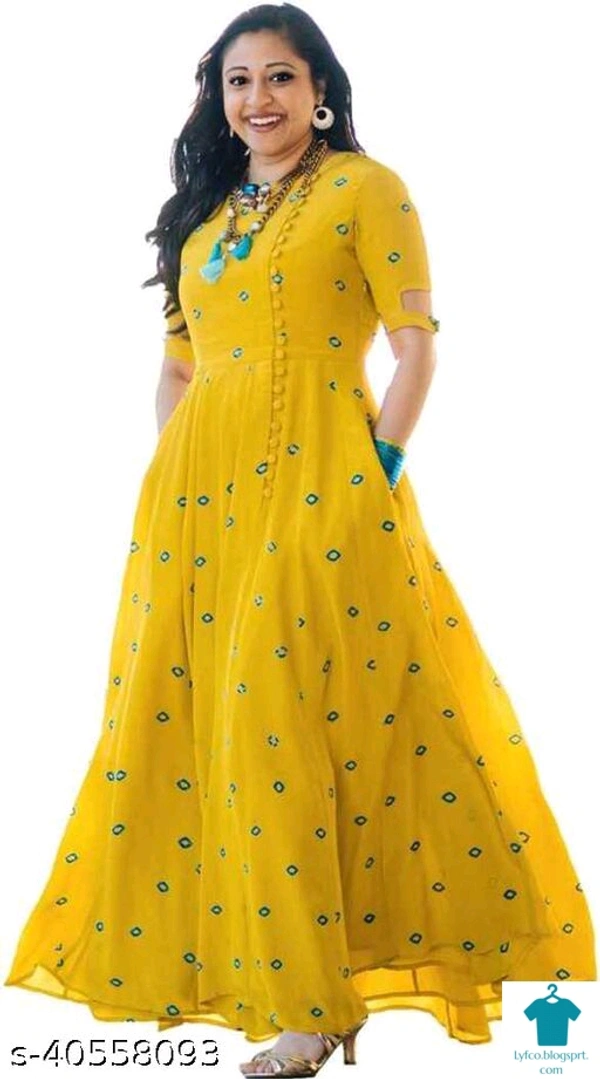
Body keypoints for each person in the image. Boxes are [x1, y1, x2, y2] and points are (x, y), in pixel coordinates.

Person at [4, 3, 596, 1077]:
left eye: (280, 77)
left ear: (320, 89)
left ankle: (315, 1003)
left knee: (290, 716)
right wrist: (176, 485)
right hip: (197, 506)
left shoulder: (368, 189)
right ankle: (283, 984)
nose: (258, 100)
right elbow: (178, 365)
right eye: (239, 82)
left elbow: (416, 348)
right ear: (219, 100)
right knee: (208, 726)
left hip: (328, 479)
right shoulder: (201, 215)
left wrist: (379, 469)